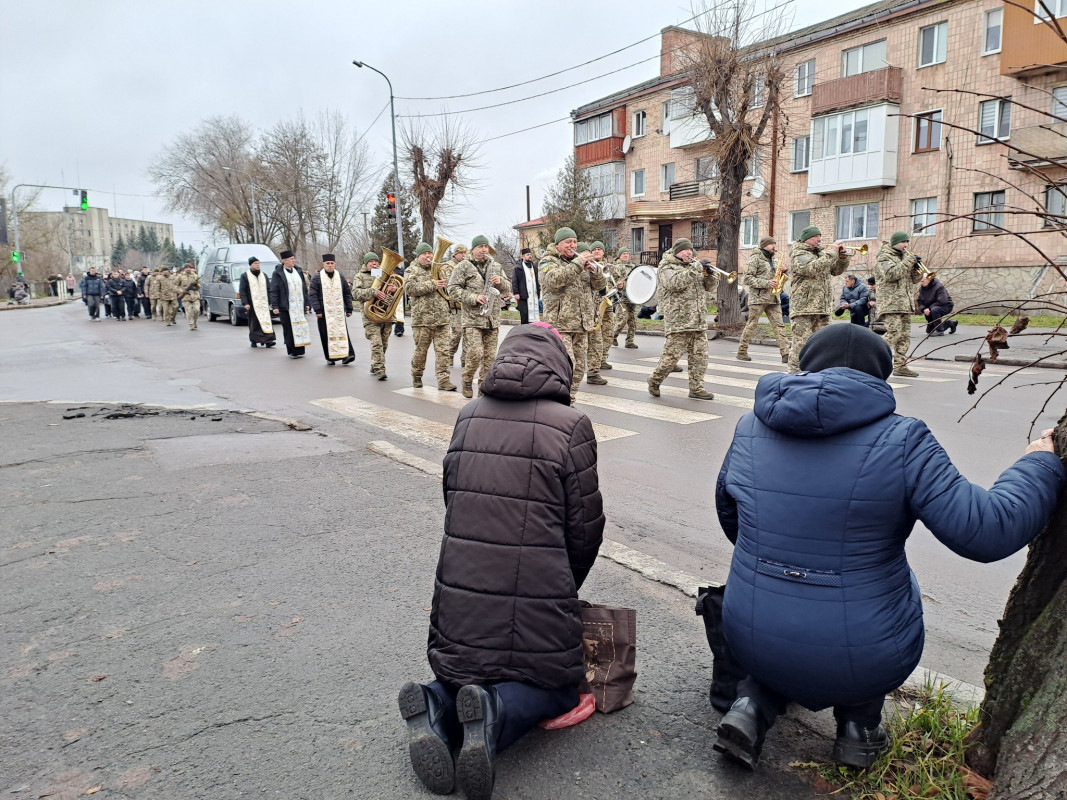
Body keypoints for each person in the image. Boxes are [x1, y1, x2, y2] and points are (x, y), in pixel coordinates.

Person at [711, 323, 1064, 771]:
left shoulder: (748, 427)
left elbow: (731, 518)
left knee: (785, 605)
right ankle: (858, 729)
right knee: (879, 602)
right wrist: (1039, 463)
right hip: (864, 650)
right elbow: (988, 530)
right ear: (880, 379)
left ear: (803, 368)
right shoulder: (904, 439)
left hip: (749, 632)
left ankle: (750, 707)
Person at [398, 322, 605, 800]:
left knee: (465, 670)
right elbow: (585, 528)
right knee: (556, 686)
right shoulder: (571, 426)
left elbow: (453, 497)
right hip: (539, 595)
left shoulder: (468, 414)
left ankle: (434, 700)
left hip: (459, 597)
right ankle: (492, 713)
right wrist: (562, 587)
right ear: (561, 366)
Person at [539, 228, 606, 404]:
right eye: (568, 242)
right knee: (566, 365)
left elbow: (599, 286)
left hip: (581, 323)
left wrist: (595, 272)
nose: (573, 245)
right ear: (558, 244)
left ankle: (569, 400)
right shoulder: (547, 261)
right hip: (560, 324)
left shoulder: (579, 264)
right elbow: (554, 280)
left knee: (580, 368)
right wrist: (578, 264)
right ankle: (556, 401)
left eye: (575, 242)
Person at [647, 239, 717, 400]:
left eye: (690, 250)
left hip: (698, 321)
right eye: (685, 250)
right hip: (679, 321)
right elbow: (674, 283)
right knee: (671, 357)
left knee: (700, 357)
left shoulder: (693, 267)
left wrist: (710, 275)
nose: (689, 253)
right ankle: (654, 380)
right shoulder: (666, 266)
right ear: (677, 252)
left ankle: (696, 388)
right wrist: (696, 268)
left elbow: (711, 288)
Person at [448, 235, 512, 398]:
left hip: (492, 319)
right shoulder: (463, 266)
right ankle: (467, 378)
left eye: (486, 246)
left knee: (490, 358)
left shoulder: (495, 265)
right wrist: (473, 297)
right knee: (475, 353)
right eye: (480, 247)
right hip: (472, 319)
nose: (484, 250)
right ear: (473, 249)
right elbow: (452, 289)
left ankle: (484, 389)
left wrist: (501, 282)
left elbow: (507, 288)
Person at [786, 226, 850, 373]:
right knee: (800, 345)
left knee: (826, 343)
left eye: (820, 236)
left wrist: (842, 258)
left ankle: (822, 373)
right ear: (807, 238)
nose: (820, 239)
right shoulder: (798, 253)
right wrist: (832, 252)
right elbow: (811, 268)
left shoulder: (822, 253)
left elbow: (836, 271)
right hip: (804, 308)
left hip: (822, 307)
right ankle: (794, 375)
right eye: (816, 237)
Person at [407, 242, 456, 390]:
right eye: (425, 254)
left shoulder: (440, 269)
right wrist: (433, 284)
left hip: (442, 318)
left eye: (430, 253)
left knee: (443, 351)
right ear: (419, 256)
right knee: (421, 351)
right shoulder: (412, 270)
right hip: (422, 320)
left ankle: (443, 380)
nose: (428, 256)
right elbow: (410, 289)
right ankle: (416, 375)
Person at [874, 231, 922, 377]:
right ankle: (873, 357)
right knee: (893, 333)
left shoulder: (904, 258)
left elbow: (914, 279)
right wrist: (908, 262)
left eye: (907, 242)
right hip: (891, 303)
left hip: (905, 303)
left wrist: (916, 267)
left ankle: (900, 366)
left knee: (904, 336)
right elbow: (891, 274)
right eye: (903, 242)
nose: (906, 245)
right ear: (895, 242)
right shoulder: (884, 257)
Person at [737, 237, 790, 363]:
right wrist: (766, 283)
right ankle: (742, 351)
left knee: (779, 326)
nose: (774, 247)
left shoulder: (774, 259)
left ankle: (786, 353)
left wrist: (783, 272)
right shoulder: (755, 259)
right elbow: (747, 279)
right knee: (752, 325)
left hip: (773, 298)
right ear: (764, 245)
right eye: (772, 244)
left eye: (775, 244)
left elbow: (776, 277)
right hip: (758, 298)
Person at [352, 252, 395, 380]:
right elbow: (355, 293)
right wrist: (374, 292)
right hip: (369, 315)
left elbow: (392, 297)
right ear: (366, 264)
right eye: (371, 261)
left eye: (376, 261)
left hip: (384, 314)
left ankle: (375, 364)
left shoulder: (385, 275)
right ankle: (380, 369)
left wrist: (393, 289)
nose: (375, 263)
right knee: (377, 343)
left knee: (384, 344)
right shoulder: (359, 276)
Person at [308, 254, 355, 365]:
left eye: (331, 263)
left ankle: (346, 355)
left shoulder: (340, 277)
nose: (329, 265)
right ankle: (330, 357)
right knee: (326, 335)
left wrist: (349, 308)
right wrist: (317, 310)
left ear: (335, 264)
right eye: (327, 263)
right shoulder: (317, 278)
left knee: (343, 333)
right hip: (324, 313)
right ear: (323, 264)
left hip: (338, 312)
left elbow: (347, 293)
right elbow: (313, 295)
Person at [269, 249, 313, 359]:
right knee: (289, 329)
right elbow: (274, 290)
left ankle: (300, 350)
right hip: (286, 306)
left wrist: (306, 303)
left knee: (300, 326)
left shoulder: (298, 271)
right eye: (291, 259)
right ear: (284, 260)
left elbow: (303, 288)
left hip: (299, 305)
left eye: (294, 258)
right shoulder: (278, 273)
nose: (293, 261)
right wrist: (275, 305)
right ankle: (292, 351)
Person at [238, 257, 277, 348]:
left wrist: (271, 301)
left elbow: (269, 289)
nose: (257, 265)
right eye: (255, 263)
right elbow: (242, 291)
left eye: (258, 263)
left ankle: (268, 341)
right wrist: (245, 303)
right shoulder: (245, 276)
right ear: (251, 265)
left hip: (264, 303)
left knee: (266, 321)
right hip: (252, 304)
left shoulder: (264, 275)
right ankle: (254, 340)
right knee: (254, 323)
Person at [611, 247, 638, 348]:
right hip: (622, 298)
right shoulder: (616, 267)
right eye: (624, 254)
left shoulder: (633, 267)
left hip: (632, 298)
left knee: (633, 321)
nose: (626, 255)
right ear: (620, 256)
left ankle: (629, 341)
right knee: (622, 319)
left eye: (627, 253)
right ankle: (613, 336)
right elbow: (616, 281)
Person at [511, 247, 540, 325]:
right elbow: (514, 281)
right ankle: (524, 331)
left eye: (530, 254)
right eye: (527, 255)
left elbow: (538, 279)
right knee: (525, 315)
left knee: (535, 316)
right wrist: (516, 292)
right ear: (523, 256)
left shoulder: (534, 266)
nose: (530, 256)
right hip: (524, 295)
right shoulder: (518, 268)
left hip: (534, 295)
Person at [174, 263, 202, 330]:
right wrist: (182, 291)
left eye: (189, 267)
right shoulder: (180, 276)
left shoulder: (195, 276)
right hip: (186, 297)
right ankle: (191, 324)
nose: (188, 269)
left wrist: (196, 284)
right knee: (189, 311)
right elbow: (175, 286)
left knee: (197, 310)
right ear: (184, 269)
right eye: (187, 267)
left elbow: (200, 285)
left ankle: (194, 322)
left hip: (195, 296)